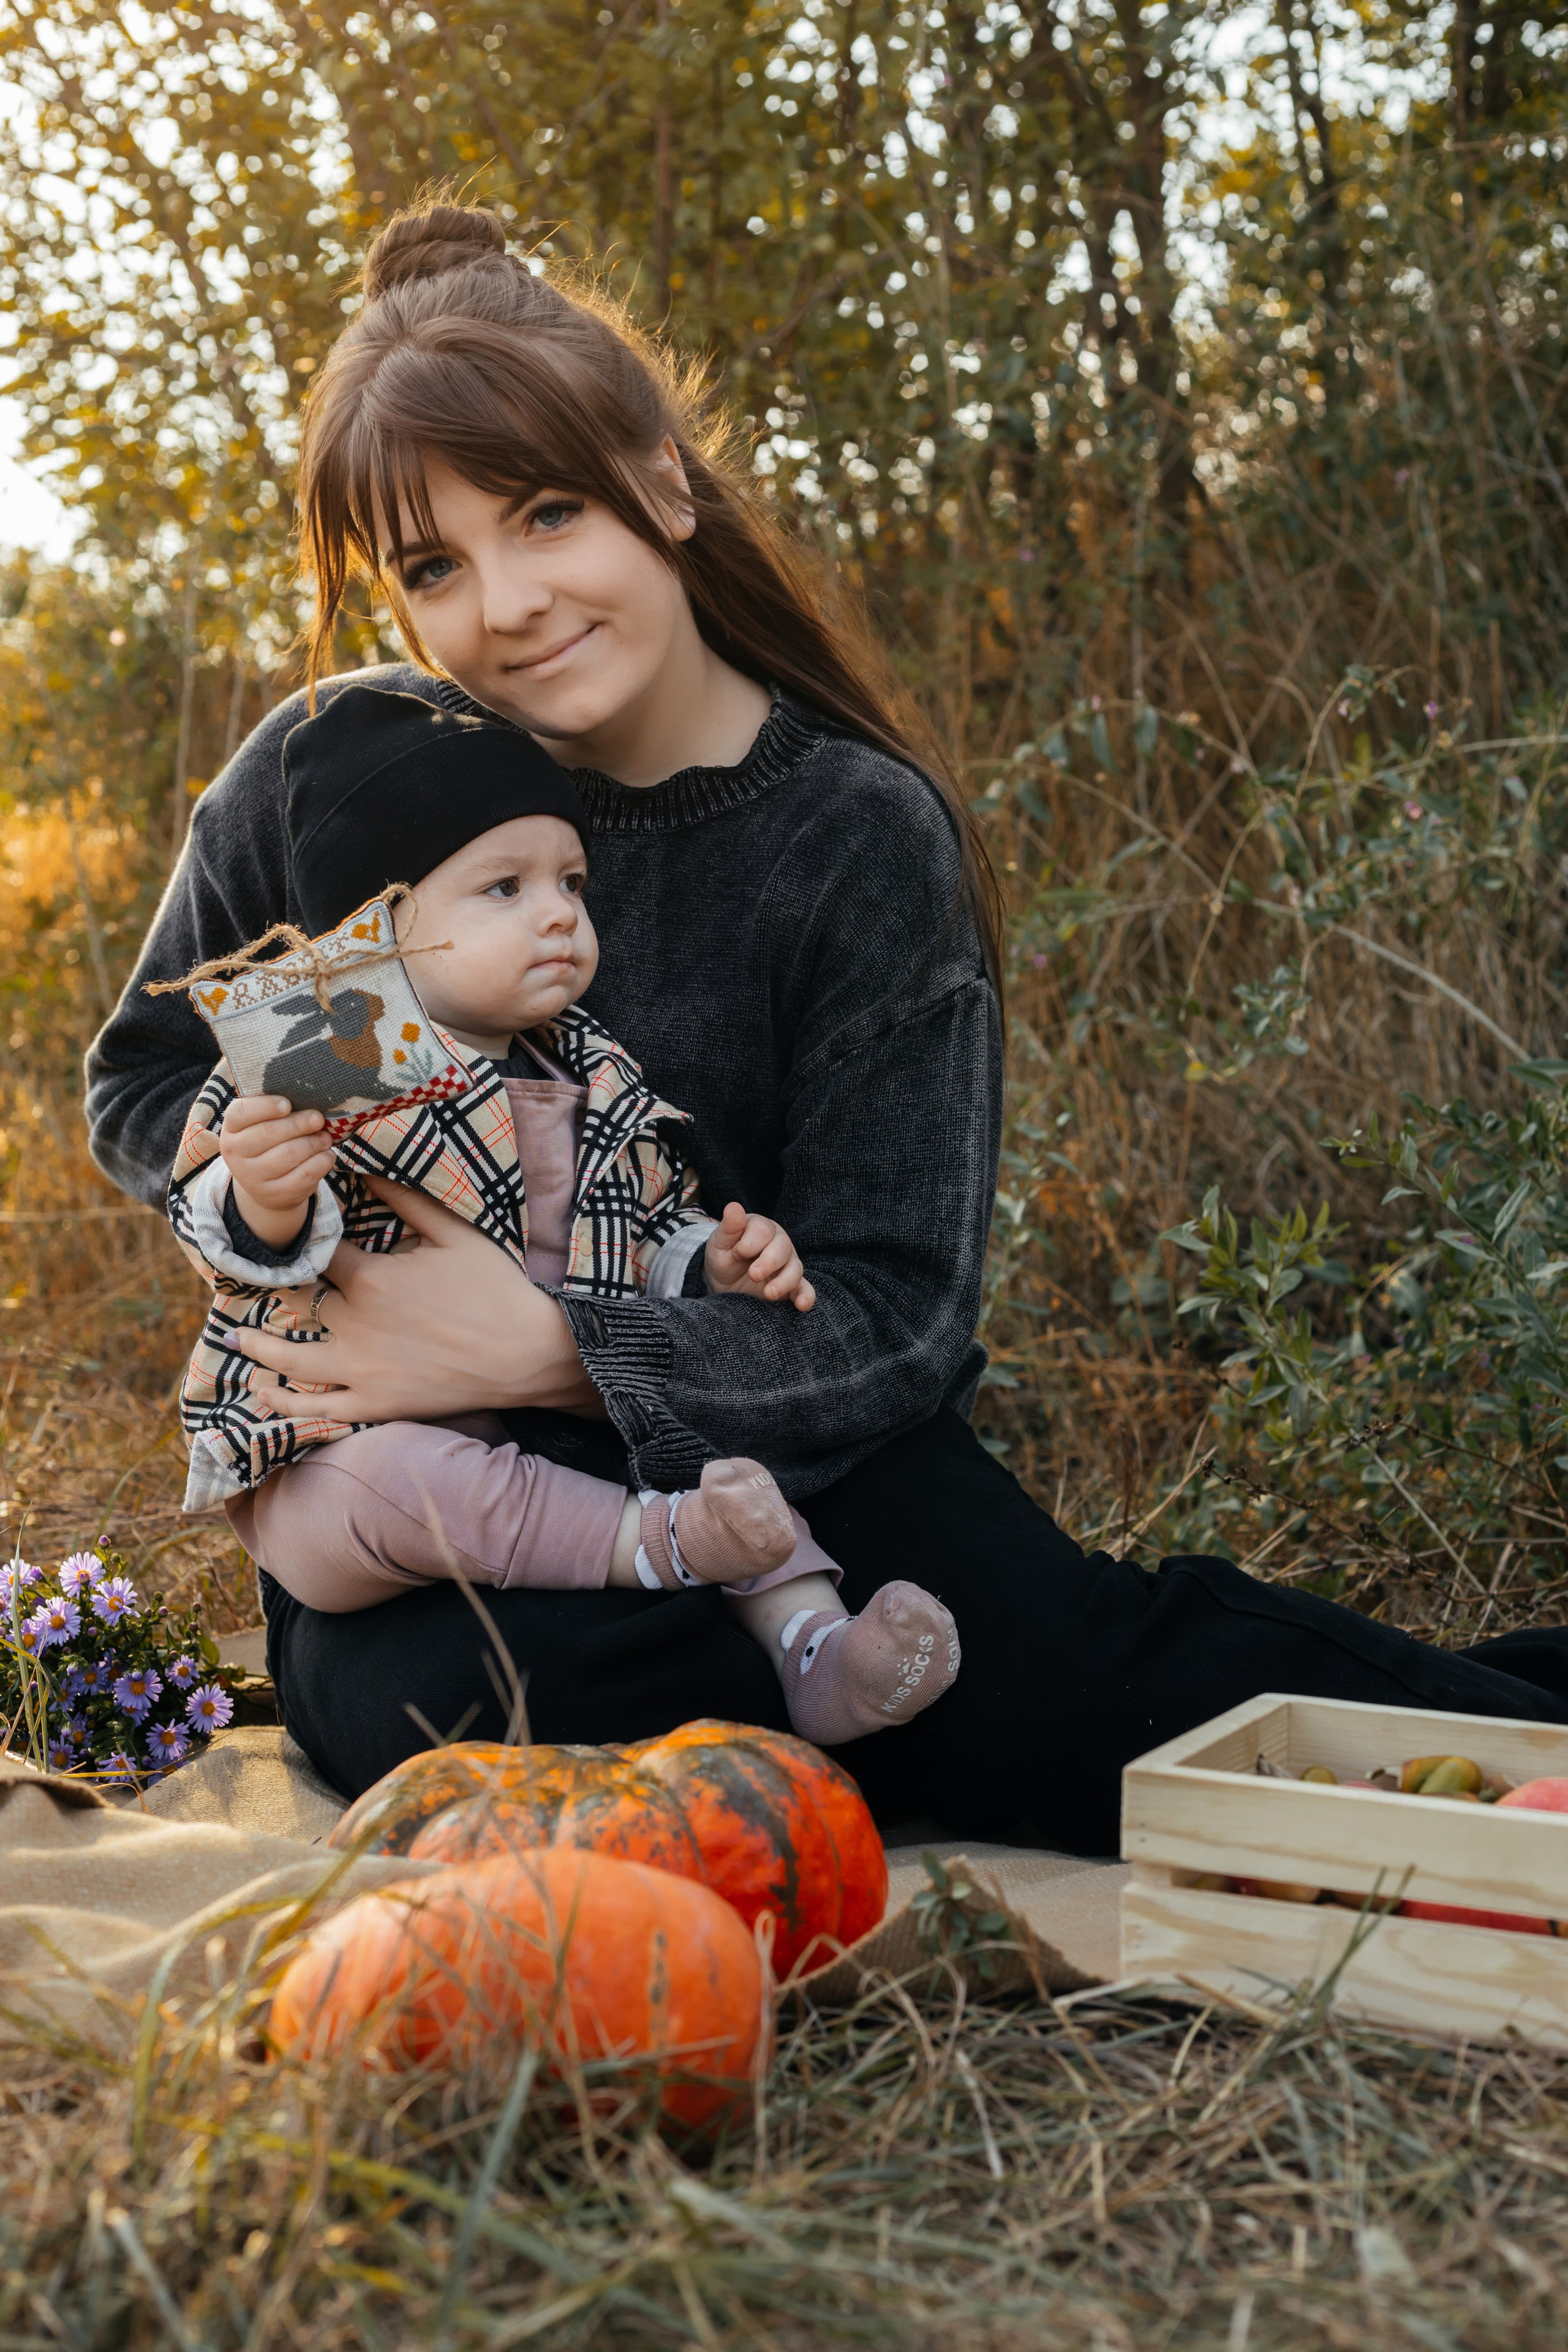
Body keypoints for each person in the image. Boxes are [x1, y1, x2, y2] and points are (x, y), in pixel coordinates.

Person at [86, 198, 1568, 1850]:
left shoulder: (850, 834)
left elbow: (894, 1315)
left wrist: (558, 1346)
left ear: (661, 482)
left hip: (802, 1460)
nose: (503, 604)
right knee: (535, 1707)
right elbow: (151, 1074)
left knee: (1063, 1705)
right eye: (434, 566)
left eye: (549, 513)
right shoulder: (345, 773)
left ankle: (1496, 1729)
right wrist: (288, 1190)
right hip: (442, 1484)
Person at [164, 683, 959, 1747]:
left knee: (702, 1440)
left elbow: (641, 1221)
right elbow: (215, 1231)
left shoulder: (589, 1066)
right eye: (505, 887)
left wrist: (706, 1266)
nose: (559, 914)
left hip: (547, 1416)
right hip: (343, 1446)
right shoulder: (320, 1057)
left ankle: (814, 1645)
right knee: (409, 1484)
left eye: (571, 883)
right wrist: (264, 1195)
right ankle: (653, 1545)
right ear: (374, 931)